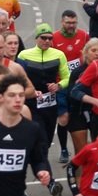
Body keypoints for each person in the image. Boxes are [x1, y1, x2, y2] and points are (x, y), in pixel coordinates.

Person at [18, 23, 70, 182]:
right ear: (36, 39)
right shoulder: (24, 55)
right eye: (43, 38)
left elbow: (67, 77)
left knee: (46, 140)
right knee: (38, 136)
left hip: (50, 104)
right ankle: (43, 171)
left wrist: (58, 85)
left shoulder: (59, 55)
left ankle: (40, 161)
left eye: (50, 38)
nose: (47, 41)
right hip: (32, 103)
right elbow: (19, 78)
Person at [64, 39, 98, 156]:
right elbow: (70, 95)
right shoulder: (78, 72)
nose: (97, 53)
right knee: (82, 153)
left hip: (97, 114)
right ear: (86, 52)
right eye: (94, 50)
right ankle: (76, 174)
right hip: (78, 113)